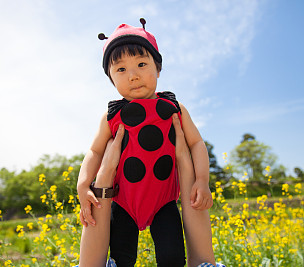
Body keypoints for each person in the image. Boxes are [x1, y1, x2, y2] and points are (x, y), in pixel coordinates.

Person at [77, 18, 215, 267]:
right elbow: (95, 150)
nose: (133, 76)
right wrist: (83, 184)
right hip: (124, 201)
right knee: (121, 258)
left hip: (164, 200)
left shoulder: (173, 107)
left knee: (173, 257)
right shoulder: (113, 115)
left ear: (158, 69)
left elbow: (196, 144)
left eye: (141, 64)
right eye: (121, 70)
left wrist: (202, 180)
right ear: (111, 78)